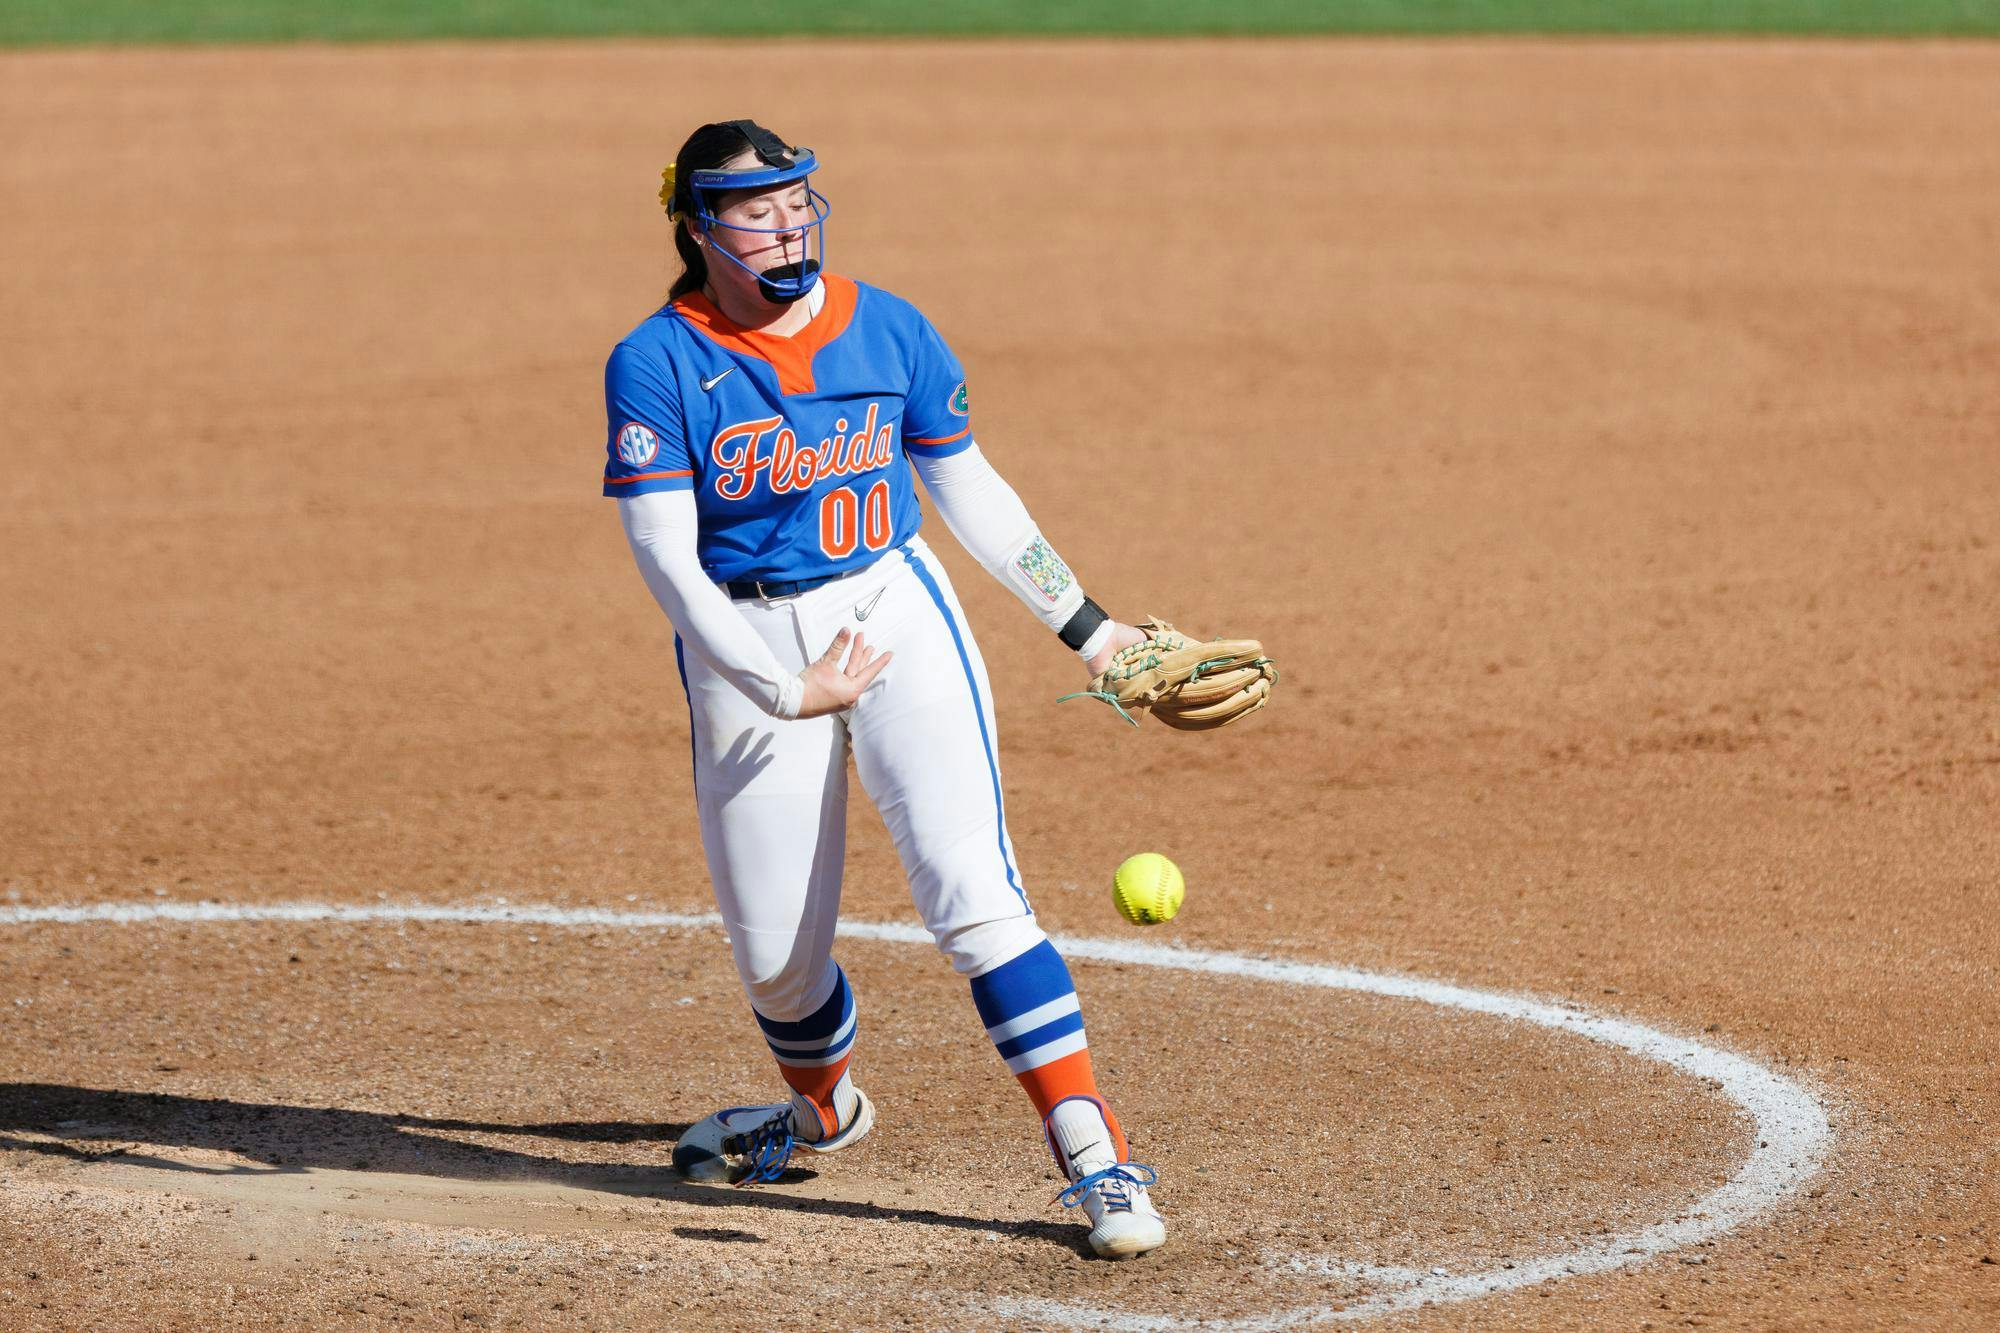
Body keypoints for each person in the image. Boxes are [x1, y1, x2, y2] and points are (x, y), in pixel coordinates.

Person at [601, 119, 1164, 1258]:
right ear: (697, 224)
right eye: (756, 208)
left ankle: (1094, 1154)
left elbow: (970, 489)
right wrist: (776, 684)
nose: (787, 222)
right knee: (774, 959)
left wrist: (1091, 630)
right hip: (745, 643)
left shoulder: (890, 327)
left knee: (971, 890)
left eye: (798, 200)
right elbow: (664, 555)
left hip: (892, 612)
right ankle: (822, 1107)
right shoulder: (655, 361)